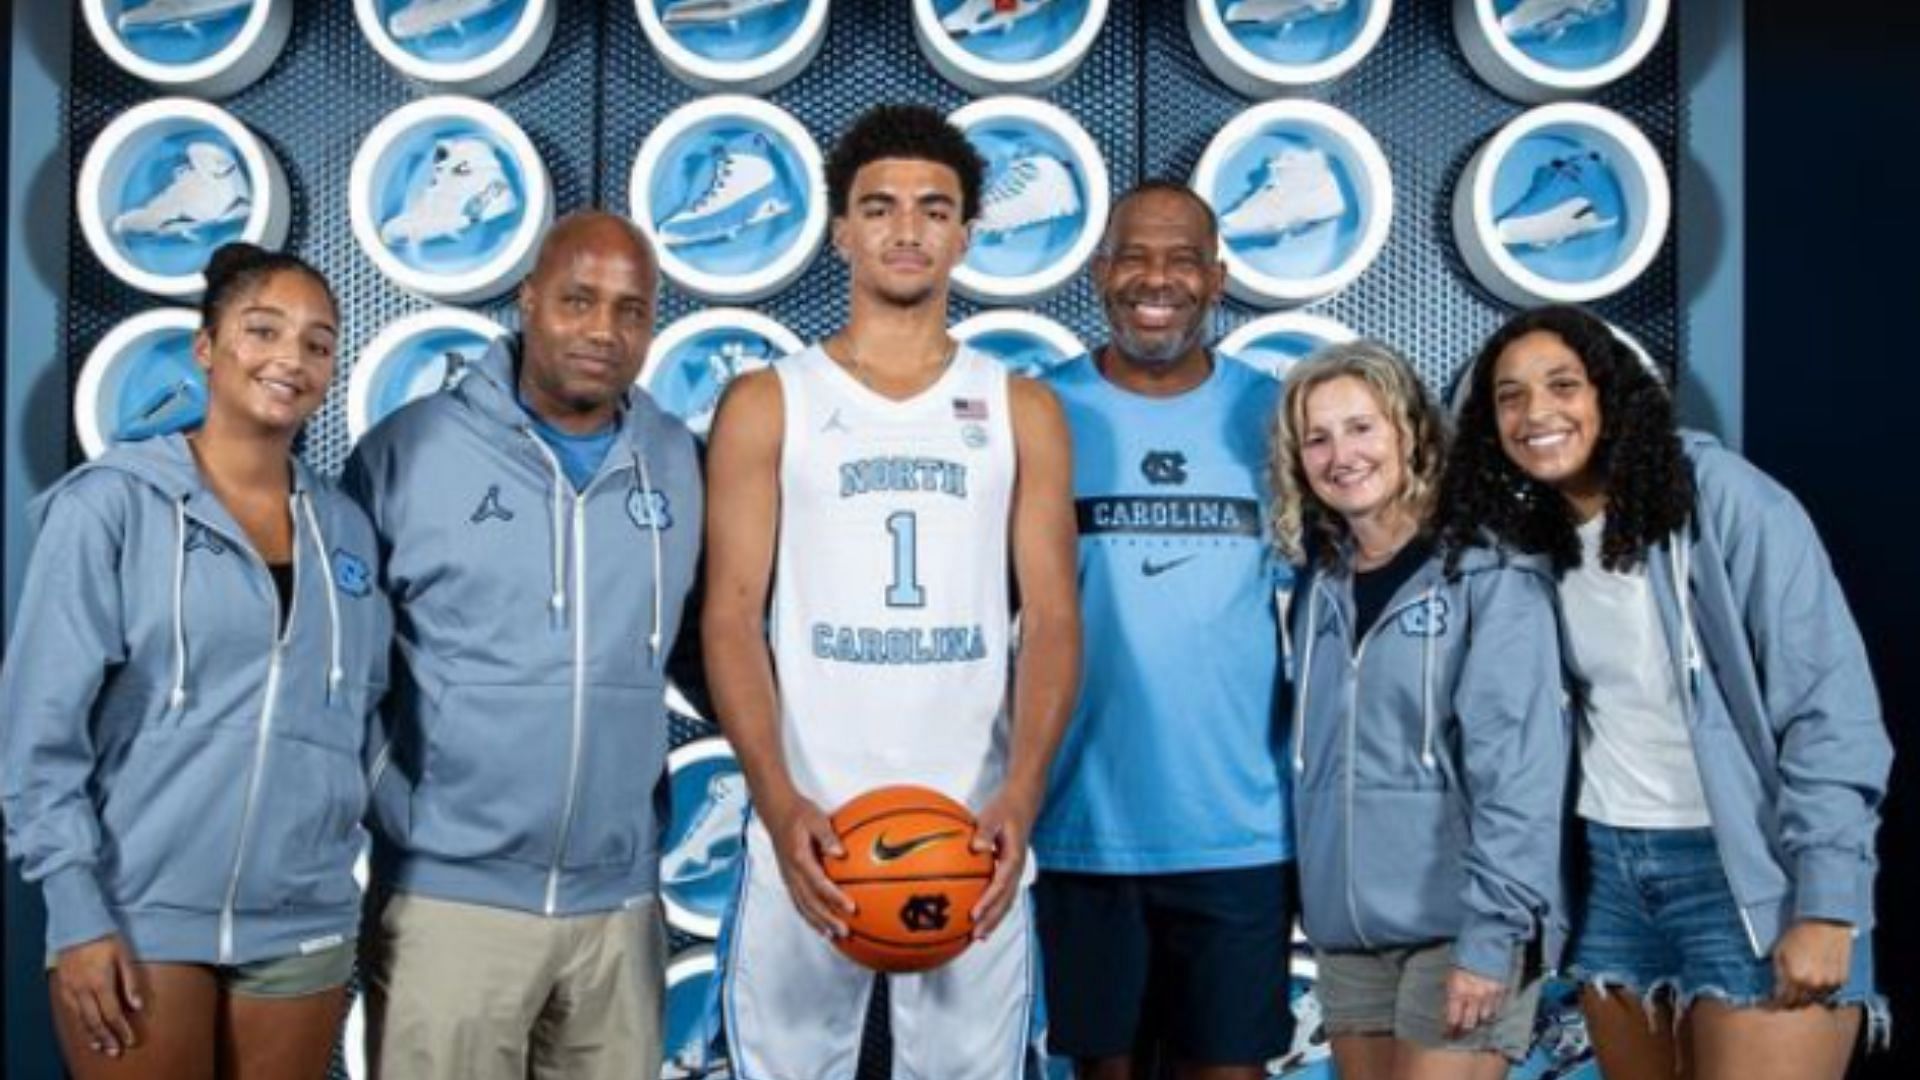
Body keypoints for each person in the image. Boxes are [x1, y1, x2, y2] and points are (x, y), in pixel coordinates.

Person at [701, 103, 1081, 1080]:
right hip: (811, 820)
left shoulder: (1020, 406)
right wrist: (776, 798)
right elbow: (732, 615)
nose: (906, 228)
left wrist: (1024, 793)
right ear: (839, 231)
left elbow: (1051, 618)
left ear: (965, 233)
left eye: (932, 208)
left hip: (973, 824)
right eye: (879, 207)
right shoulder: (769, 400)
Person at [1436, 304, 1891, 1080]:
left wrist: (1828, 902)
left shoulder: (1726, 499)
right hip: (1612, 876)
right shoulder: (1528, 543)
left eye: (1562, 385)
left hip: (1748, 874)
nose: (1535, 412)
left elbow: (1830, 710)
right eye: (1509, 396)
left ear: (1611, 395)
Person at [1, 242, 388, 1079]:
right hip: (136, 912)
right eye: (262, 330)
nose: (292, 357)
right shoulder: (110, 505)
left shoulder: (348, 531)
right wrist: (75, 909)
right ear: (206, 348)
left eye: (319, 343)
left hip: (303, 917)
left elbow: (365, 716)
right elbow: (39, 731)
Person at [344, 211, 704, 1080]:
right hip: (450, 900)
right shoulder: (411, 450)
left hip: (617, 904)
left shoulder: (679, 459)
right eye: (578, 300)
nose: (603, 331)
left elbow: (706, 648)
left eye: (631, 310)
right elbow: (341, 670)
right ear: (528, 298)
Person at [1030, 181, 1294, 1080]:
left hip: (1240, 828)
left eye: (1183, 258)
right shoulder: (1039, 414)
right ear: (1101, 272)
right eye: (1136, 255)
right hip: (1083, 825)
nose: (1158, 277)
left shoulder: (1279, 418)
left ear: (1217, 279)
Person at [1272, 341, 1567, 1080]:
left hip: (1461, 928)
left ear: (1410, 433)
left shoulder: (1489, 571)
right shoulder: (1319, 586)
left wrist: (1494, 936)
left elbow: (1520, 768)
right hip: (1347, 935)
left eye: (1362, 427)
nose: (1342, 454)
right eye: (1318, 437)